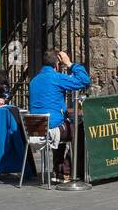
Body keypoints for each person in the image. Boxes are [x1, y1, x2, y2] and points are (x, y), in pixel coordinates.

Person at [28, 50, 91, 181]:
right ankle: (66, 170)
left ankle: (58, 170)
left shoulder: (34, 81)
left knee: (62, 124)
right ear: (57, 64)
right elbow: (84, 80)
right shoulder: (56, 78)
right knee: (81, 130)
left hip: (36, 130)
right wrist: (69, 64)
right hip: (52, 130)